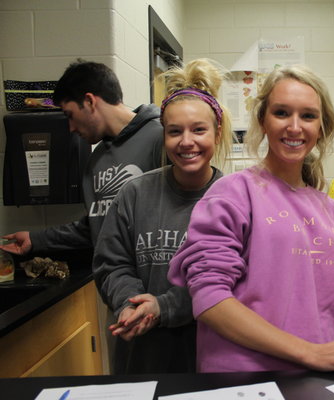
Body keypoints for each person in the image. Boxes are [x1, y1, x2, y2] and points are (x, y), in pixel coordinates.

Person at [168, 65, 334, 373]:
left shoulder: (327, 208)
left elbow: (295, 301)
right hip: (246, 379)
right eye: (282, 113)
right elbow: (209, 300)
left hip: (313, 376)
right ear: (263, 121)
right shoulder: (232, 193)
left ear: (322, 127)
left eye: (308, 116)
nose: (294, 127)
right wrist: (310, 352)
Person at [92, 58, 232, 374]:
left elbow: (229, 282)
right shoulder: (135, 193)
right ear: (163, 134)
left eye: (199, 130)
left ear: (217, 130)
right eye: (174, 131)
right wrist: (131, 304)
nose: (186, 142)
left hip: (208, 358)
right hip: (140, 357)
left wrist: (163, 307)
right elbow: (111, 263)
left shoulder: (233, 199)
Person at [0, 59, 163, 256]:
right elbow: (95, 227)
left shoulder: (161, 139)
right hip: (113, 282)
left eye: (70, 115)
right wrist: (36, 240)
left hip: (153, 284)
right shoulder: (97, 159)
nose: (70, 128)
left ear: (89, 101)